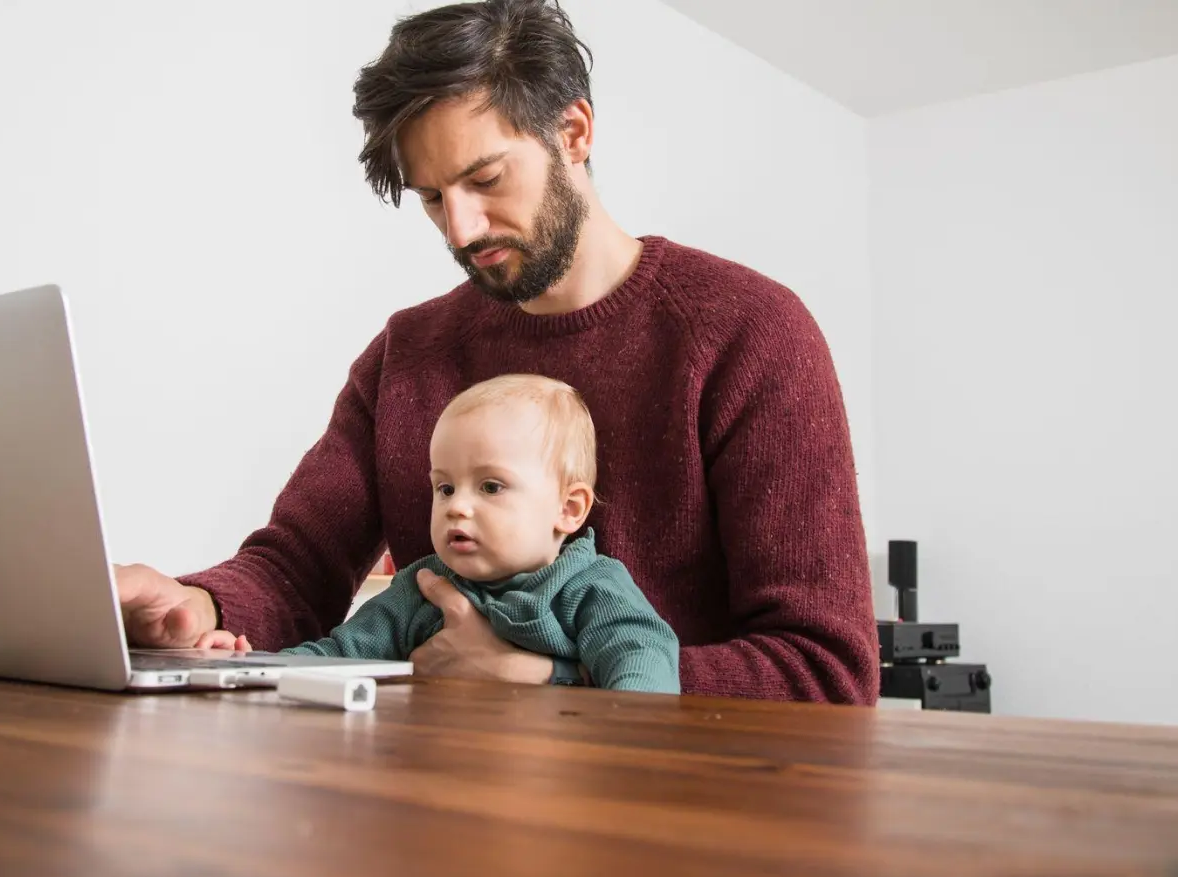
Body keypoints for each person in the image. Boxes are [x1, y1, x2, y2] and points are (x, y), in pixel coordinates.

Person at [114, 0, 880, 703]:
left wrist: (552, 679)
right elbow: (297, 565)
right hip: (443, 808)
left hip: (675, 816)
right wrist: (196, 606)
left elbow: (827, 672)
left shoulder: (748, 332)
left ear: (574, 132)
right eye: (432, 198)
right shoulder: (406, 353)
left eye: (485, 179)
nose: (462, 230)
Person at [271, 374, 680, 694]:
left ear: (568, 509)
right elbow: (338, 655)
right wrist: (242, 668)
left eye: (490, 487)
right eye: (445, 488)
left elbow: (642, 664)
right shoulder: (420, 590)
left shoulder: (592, 588)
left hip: (555, 779)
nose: (456, 506)